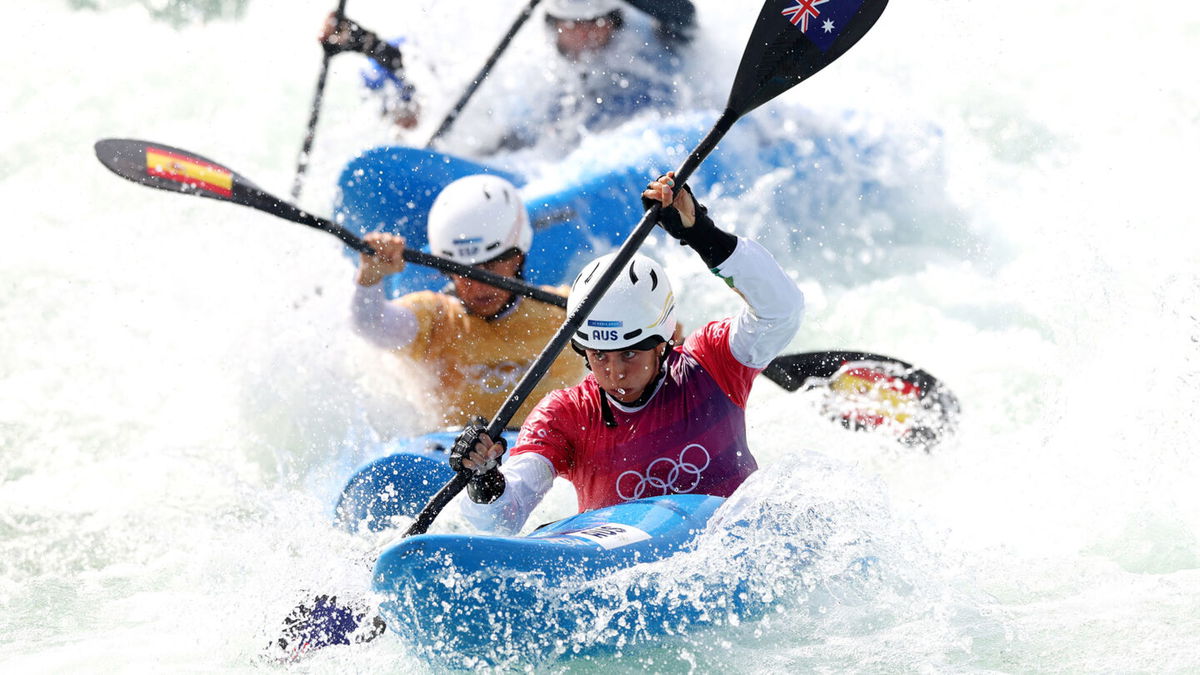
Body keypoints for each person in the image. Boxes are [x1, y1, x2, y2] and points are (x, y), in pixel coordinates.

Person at [448, 172, 805, 532]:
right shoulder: (565, 415)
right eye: (599, 355)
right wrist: (485, 480)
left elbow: (781, 309)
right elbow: (501, 522)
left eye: (630, 354)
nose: (615, 373)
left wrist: (700, 233)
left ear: (663, 342)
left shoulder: (711, 365)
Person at [352, 174, 586, 429]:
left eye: (492, 266)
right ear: (448, 269)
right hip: (455, 453)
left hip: (550, 453)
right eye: (466, 271)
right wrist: (370, 279)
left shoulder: (564, 312)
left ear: (517, 258)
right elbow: (370, 325)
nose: (479, 285)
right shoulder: (434, 319)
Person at [317, 0, 696, 145]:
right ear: (552, 23)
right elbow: (445, 88)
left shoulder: (648, 43)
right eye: (574, 24)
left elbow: (686, 19)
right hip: (540, 157)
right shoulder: (524, 55)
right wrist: (371, 47)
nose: (586, 33)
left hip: (639, 145)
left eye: (597, 21)